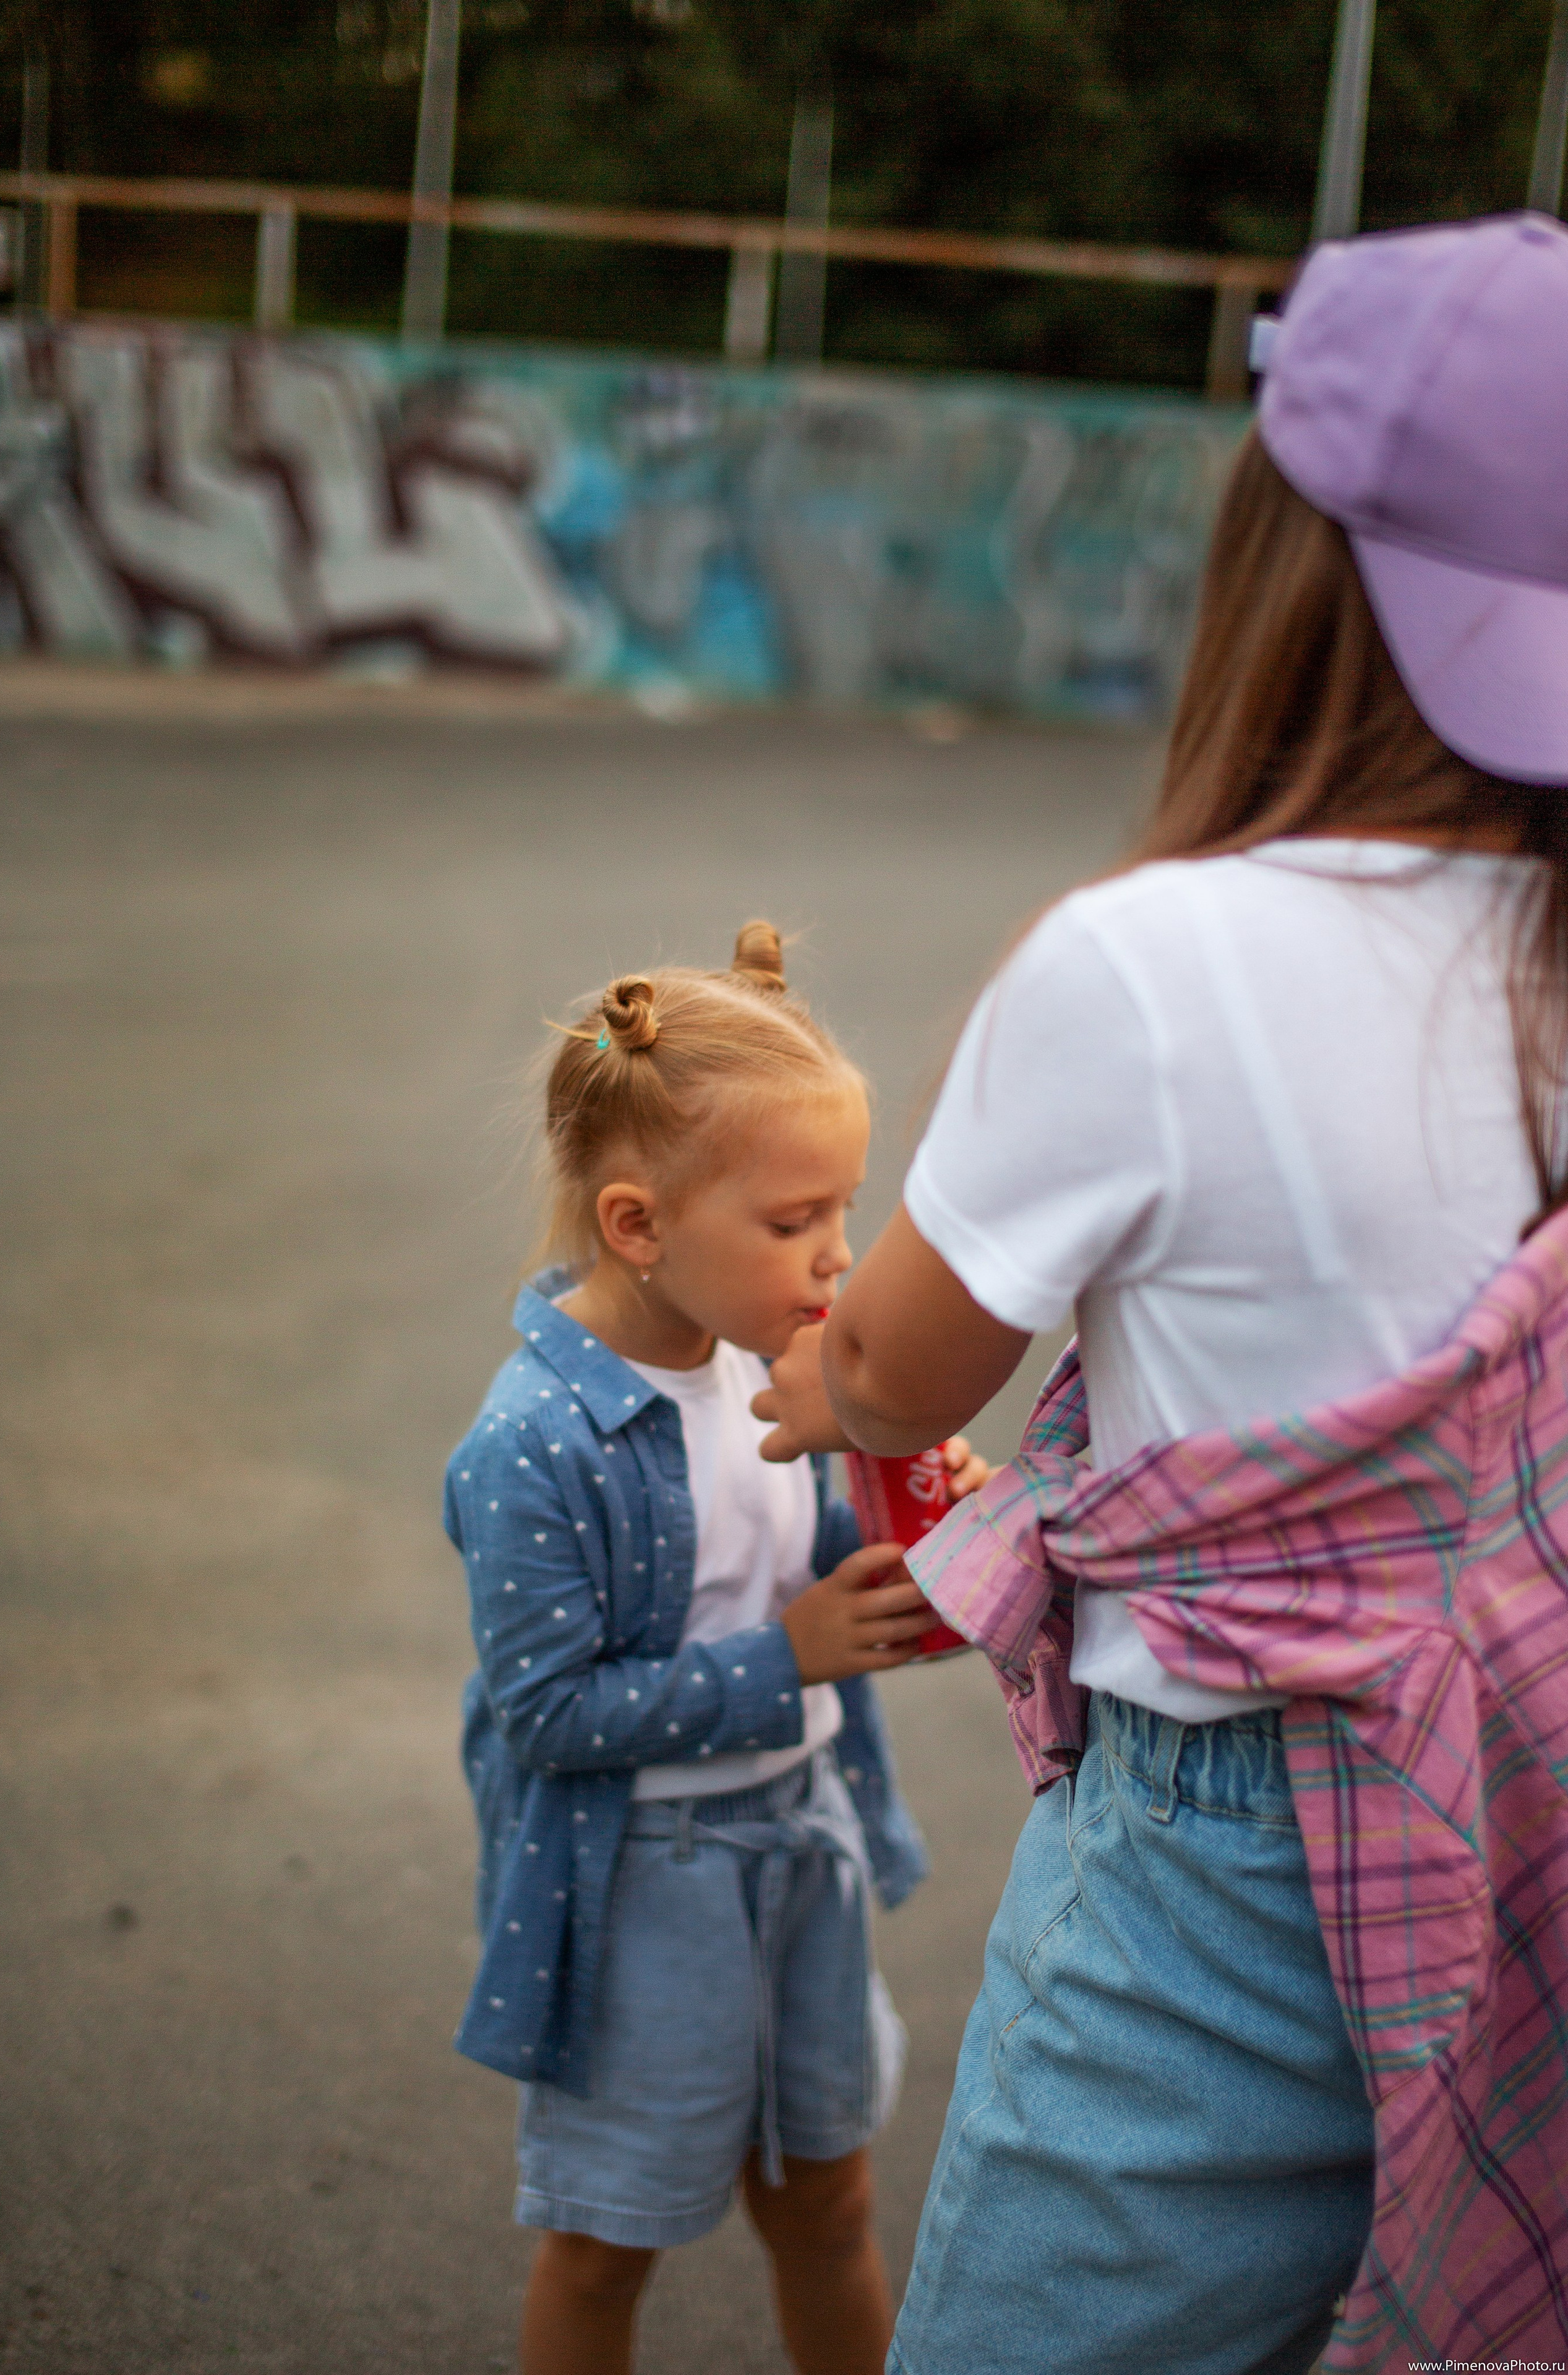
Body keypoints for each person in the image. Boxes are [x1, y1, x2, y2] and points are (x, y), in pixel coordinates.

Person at [756, 214, 1568, 2372]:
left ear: (1286, 573)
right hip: (1539, 1800)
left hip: (1235, 1848)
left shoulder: (1156, 965)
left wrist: (815, 1376)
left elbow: (894, 1360)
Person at [443, 920, 985, 2375]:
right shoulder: (532, 1441)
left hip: (801, 1845)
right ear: (638, 1227)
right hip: (644, 1887)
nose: (838, 1259)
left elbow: (789, 1583)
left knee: (830, 2204)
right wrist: (791, 1657)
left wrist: (933, 1532)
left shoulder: (761, 1360)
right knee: (607, 2240)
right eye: (793, 1221)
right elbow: (548, 1714)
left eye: (844, 1209)